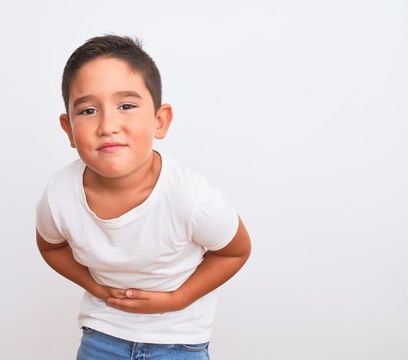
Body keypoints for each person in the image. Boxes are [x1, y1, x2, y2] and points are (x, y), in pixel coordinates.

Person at [36, 34, 251, 360]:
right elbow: (50, 245)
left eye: (126, 106)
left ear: (159, 121)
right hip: (102, 336)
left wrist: (177, 299)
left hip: (179, 343)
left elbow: (234, 251)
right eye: (89, 110)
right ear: (68, 130)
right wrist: (94, 286)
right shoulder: (60, 195)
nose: (108, 125)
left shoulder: (188, 196)